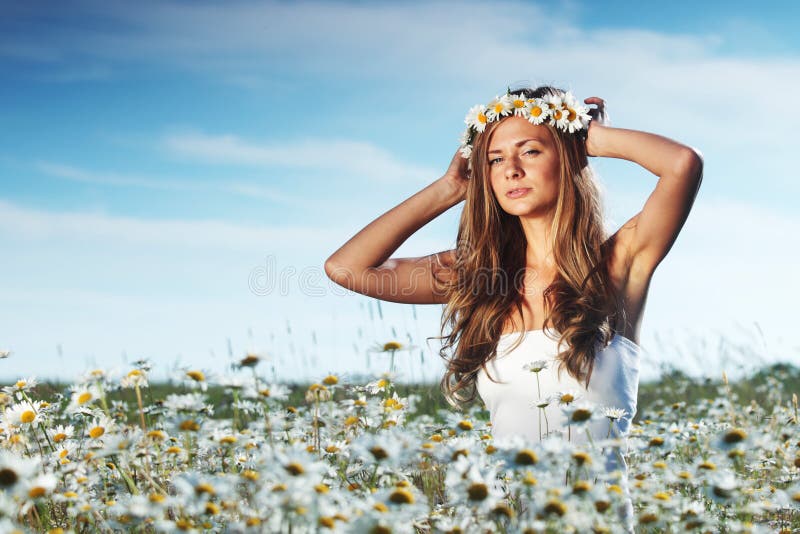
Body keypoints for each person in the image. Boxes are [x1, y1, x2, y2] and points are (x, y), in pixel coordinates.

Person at [324, 85, 703, 530]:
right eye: (496, 159)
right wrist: (448, 189)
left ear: (566, 156)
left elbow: (681, 165)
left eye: (531, 151)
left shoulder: (617, 269)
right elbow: (346, 268)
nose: (512, 171)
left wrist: (589, 138)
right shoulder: (481, 278)